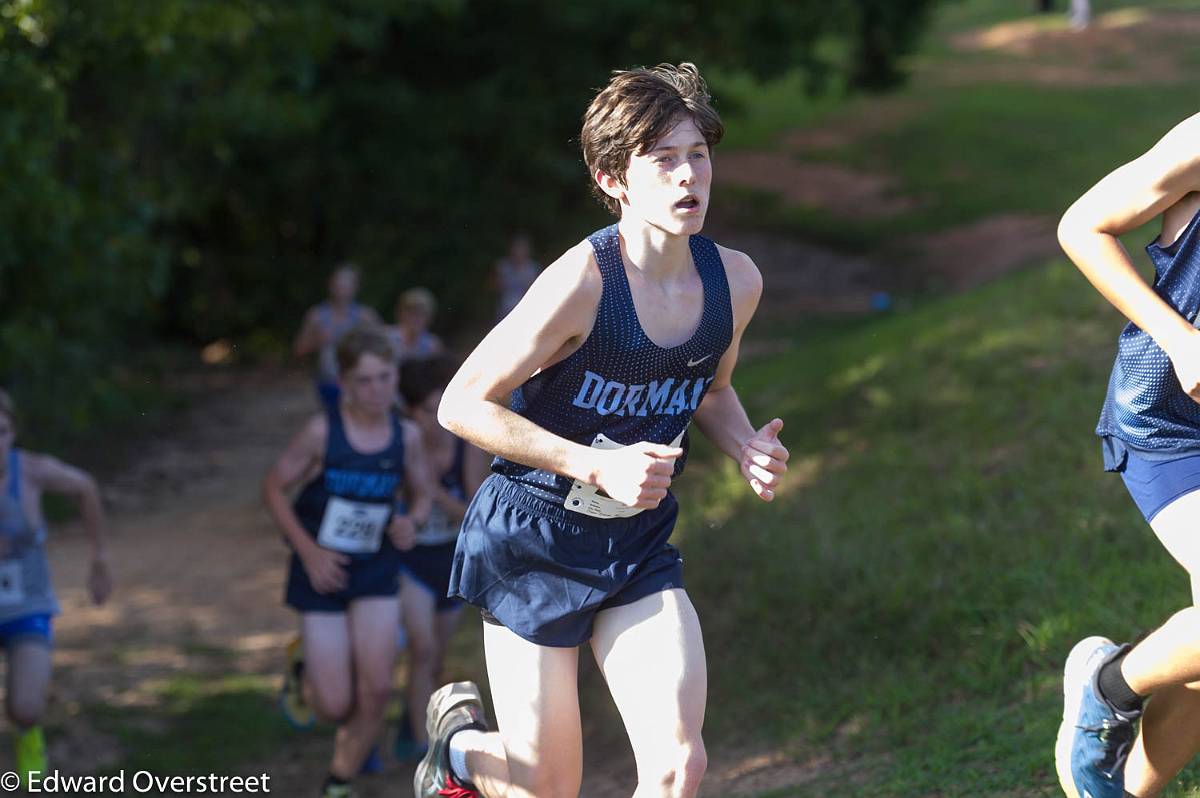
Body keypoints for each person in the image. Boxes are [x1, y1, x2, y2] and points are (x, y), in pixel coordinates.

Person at [413, 62, 789, 798]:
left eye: (699, 155)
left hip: (635, 542)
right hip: (531, 539)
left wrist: (745, 444)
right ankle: (458, 754)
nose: (689, 177)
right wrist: (592, 464)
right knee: (546, 788)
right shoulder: (582, 283)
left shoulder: (734, 282)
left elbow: (711, 388)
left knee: (681, 765)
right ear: (613, 177)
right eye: (664, 159)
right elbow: (461, 403)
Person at [1055, 112, 1200, 798]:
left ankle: (1114, 791)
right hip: (1173, 423)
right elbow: (1081, 225)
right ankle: (1106, 687)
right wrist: (1180, 338)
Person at [264, 326, 431, 798]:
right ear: (343, 381)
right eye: (364, 380)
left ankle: (339, 781)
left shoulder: (407, 435)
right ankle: (304, 670)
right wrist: (309, 550)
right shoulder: (323, 431)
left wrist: (411, 521)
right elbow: (273, 487)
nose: (377, 390)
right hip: (322, 571)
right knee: (335, 705)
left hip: (375, 569)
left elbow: (420, 494)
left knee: (376, 689)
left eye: (385, 377)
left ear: (396, 375)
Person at [0, 389, 112, 787]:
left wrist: (99, 559)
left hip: (27, 608)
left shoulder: (30, 472)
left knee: (26, 708)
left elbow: (85, 487)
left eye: (1, 431)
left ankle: (30, 749)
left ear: (13, 432)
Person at [394, 356, 489, 761]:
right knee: (423, 648)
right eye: (427, 410)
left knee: (435, 660)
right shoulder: (397, 442)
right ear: (410, 410)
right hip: (408, 563)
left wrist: (433, 493)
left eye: (440, 407)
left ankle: (414, 724)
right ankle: (421, 746)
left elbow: (475, 509)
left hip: (450, 559)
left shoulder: (462, 443)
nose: (436, 419)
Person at [293, 263, 381, 411]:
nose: (343, 289)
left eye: (347, 284)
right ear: (331, 286)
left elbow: (385, 346)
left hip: (359, 380)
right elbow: (298, 350)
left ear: (355, 287)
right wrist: (316, 341)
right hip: (328, 381)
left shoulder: (366, 316)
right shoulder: (317, 315)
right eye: (339, 284)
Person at [386, 288, 444, 368]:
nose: (415, 319)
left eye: (421, 314)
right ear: (400, 313)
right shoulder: (386, 337)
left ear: (429, 318)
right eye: (411, 313)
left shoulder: (432, 345)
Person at [493, 234, 541, 321]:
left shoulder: (532, 268)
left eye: (522, 248)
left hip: (525, 310)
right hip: (505, 310)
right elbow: (495, 286)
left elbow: (535, 291)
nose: (519, 251)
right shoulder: (503, 266)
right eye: (517, 247)